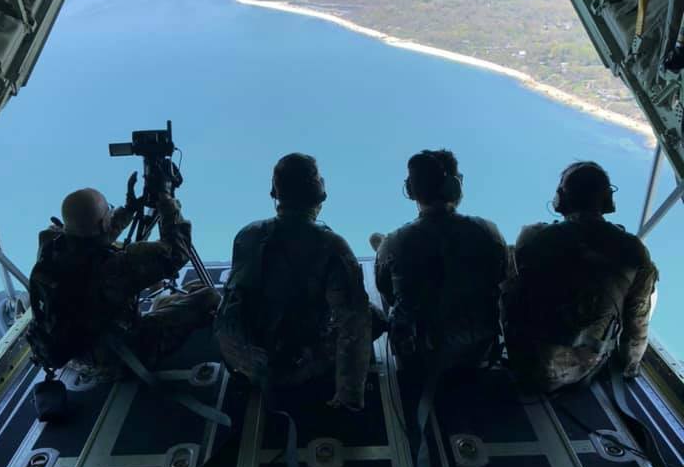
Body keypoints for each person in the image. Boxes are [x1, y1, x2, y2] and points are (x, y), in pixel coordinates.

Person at [215, 153, 371, 411]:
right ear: (318, 192)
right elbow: (354, 321)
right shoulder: (331, 245)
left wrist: (245, 361)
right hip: (296, 368)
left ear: (274, 192)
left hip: (246, 364)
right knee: (372, 315)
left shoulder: (247, 234)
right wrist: (350, 394)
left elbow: (232, 306)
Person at [28, 173, 219, 375]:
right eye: (109, 212)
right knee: (207, 297)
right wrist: (167, 201)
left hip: (73, 353)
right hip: (113, 357)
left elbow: (93, 236)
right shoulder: (115, 268)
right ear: (103, 223)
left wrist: (129, 209)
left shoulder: (51, 246)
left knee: (177, 298)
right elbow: (176, 252)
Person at [502, 161, 658, 393]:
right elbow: (636, 324)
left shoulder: (534, 236)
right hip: (584, 371)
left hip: (526, 362)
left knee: (509, 261)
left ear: (561, 198)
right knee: (646, 285)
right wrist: (628, 366)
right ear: (606, 200)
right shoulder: (633, 250)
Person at [373, 149, 508, 371]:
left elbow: (385, 289)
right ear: (456, 185)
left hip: (418, 359)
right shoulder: (488, 231)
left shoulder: (394, 242)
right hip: (478, 353)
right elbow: (503, 276)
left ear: (411, 190)